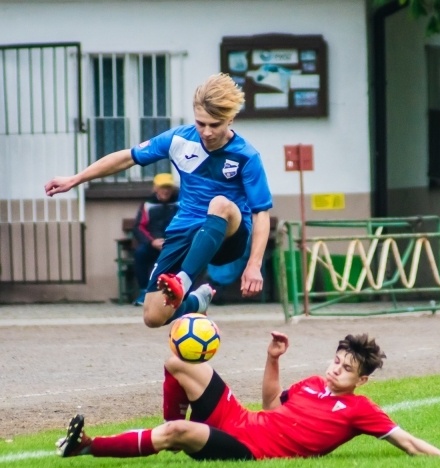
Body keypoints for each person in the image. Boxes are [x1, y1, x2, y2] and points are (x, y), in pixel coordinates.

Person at [44, 73, 273, 328]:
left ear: (230, 119)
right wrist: (76, 178)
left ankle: (184, 282)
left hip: (229, 235)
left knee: (219, 203)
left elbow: (261, 212)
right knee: (154, 316)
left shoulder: (246, 155)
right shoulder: (179, 140)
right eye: (201, 123)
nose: (207, 132)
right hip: (185, 228)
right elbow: (127, 157)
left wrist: (254, 264)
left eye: (215, 125)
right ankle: (196, 302)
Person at [56, 332, 440, 461]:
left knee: (179, 432)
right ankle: (168, 421)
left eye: (346, 369)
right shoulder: (312, 383)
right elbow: (272, 406)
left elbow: (407, 441)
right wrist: (272, 358)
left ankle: (87, 447)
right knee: (178, 359)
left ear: (361, 381)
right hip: (239, 419)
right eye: (336, 361)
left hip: (247, 448)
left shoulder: (359, 410)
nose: (335, 369)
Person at [131, 173, 180, 306]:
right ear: (155, 188)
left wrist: (172, 240)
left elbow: (185, 224)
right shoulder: (147, 205)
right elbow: (139, 227)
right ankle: (144, 291)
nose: (165, 190)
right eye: (162, 187)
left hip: (174, 243)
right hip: (153, 244)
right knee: (140, 254)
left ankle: (177, 293)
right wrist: (152, 241)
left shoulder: (180, 203)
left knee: (183, 255)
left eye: (168, 187)